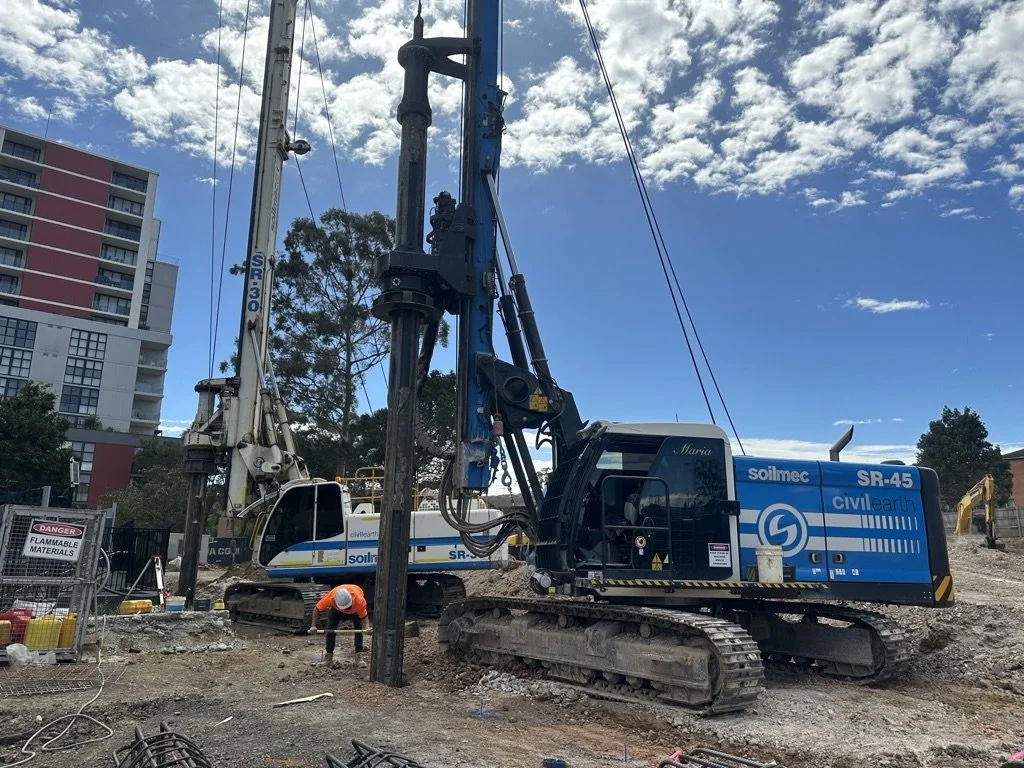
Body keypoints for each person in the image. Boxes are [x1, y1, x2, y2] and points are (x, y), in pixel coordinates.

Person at [309, 584, 370, 666]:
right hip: (337, 609)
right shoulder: (331, 597)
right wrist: (313, 626)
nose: (346, 610)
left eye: (348, 607)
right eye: (345, 608)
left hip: (355, 610)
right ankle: (328, 658)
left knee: (358, 628)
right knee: (330, 628)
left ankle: (359, 657)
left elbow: (364, 617)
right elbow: (317, 609)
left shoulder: (359, 601)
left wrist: (367, 628)